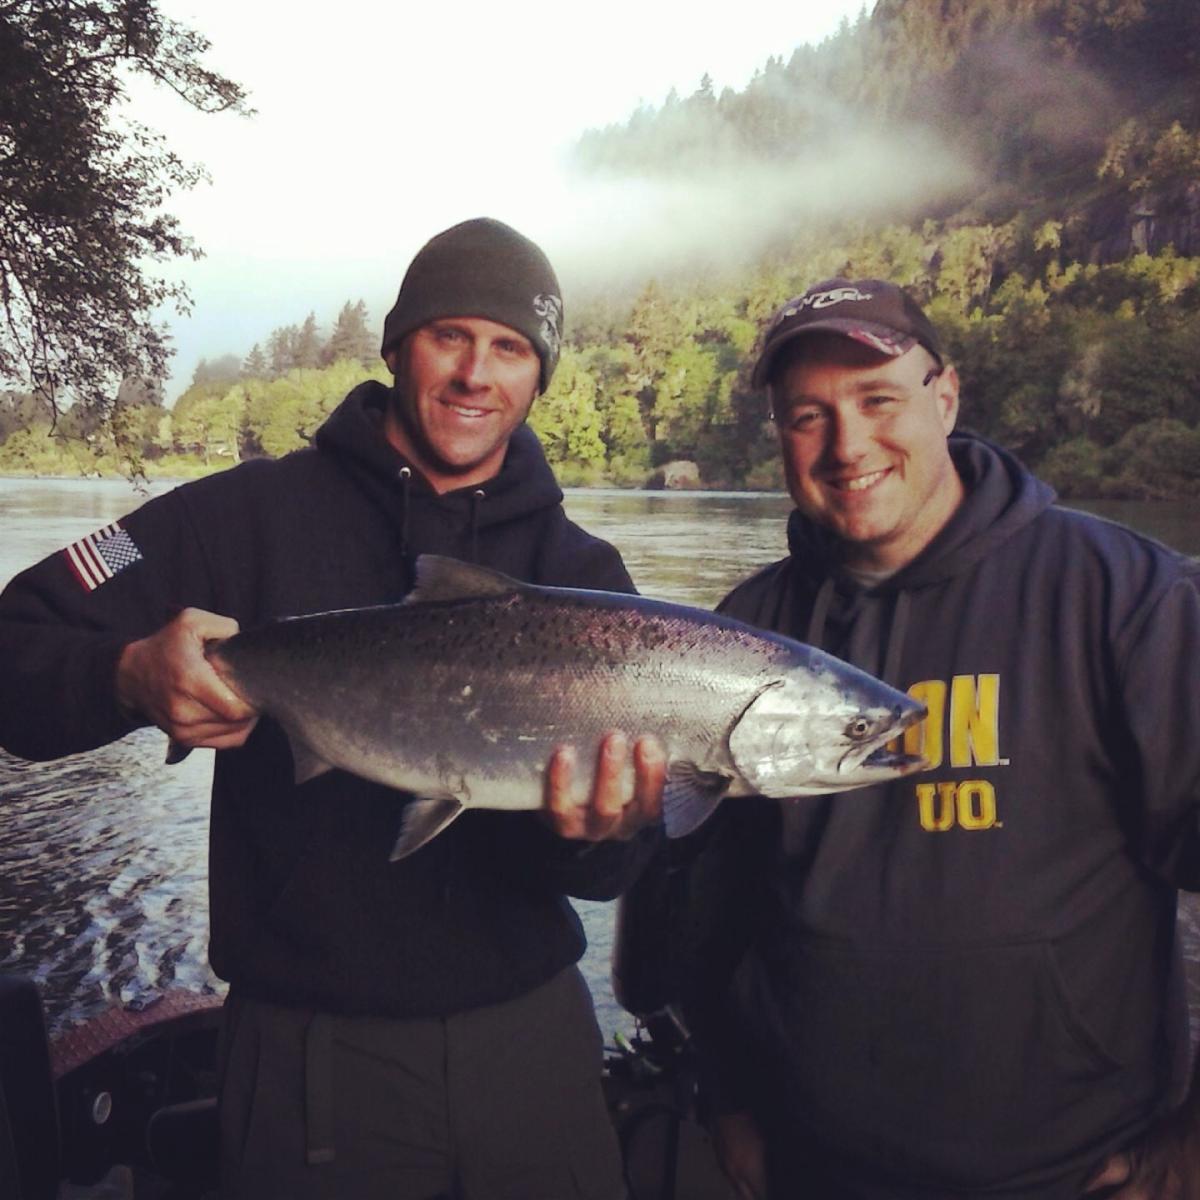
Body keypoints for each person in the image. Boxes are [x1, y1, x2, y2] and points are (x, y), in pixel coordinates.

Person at [0, 217, 665, 1200]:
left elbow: (610, 872)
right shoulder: (233, 518)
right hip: (309, 1058)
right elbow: (16, 642)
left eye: (510, 348)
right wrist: (128, 675)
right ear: (396, 346)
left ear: (539, 379)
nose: (475, 373)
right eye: (449, 335)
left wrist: (601, 835)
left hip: (534, 1049)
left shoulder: (586, 582)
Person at [666, 278, 1200, 1199]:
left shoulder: (1126, 600)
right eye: (808, 416)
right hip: (810, 1168)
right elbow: (710, 911)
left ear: (945, 397)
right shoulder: (745, 629)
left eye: (879, 399)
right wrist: (729, 1097)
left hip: (1073, 1176)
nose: (847, 444)